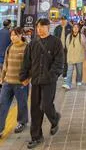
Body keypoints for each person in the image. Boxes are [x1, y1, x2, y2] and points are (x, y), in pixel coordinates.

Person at [20, 18, 64, 149]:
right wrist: (24, 76)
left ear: (48, 27)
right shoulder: (32, 44)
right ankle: (36, 137)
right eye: (38, 27)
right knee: (35, 109)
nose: (39, 29)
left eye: (42, 27)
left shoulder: (56, 42)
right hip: (36, 81)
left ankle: (54, 118)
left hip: (49, 81)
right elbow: (26, 62)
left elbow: (59, 61)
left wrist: (52, 75)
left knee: (45, 105)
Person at [0, 27, 29, 137]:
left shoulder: (26, 48)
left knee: (22, 104)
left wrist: (28, 78)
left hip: (20, 83)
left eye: (15, 35)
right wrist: (2, 78)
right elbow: (6, 65)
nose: (12, 37)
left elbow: (30, 65)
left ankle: (22, 122)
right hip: (7, 82)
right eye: (11, 35)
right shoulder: (9, 47)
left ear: (21, 35)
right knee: (2, 103)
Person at [62, 23, 86, 90]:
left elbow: (85, 45)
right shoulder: (69, 36)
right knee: (69, 71)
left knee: (79, 71)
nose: (75, 28)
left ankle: (79, 80)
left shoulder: (81, 36)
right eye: (74, 27)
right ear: (72, 29)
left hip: (79, 56)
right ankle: (68, 84)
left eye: (77, 27)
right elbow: (67, 45)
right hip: (70, 56)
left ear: (79, 29)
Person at [0, 20, 11, 87]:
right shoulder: (10, 33)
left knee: (1, 70)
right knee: (5, 70)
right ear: (9, 25)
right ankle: (3, 83)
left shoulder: (0, 31)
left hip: (0, 55)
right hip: (6, 55)